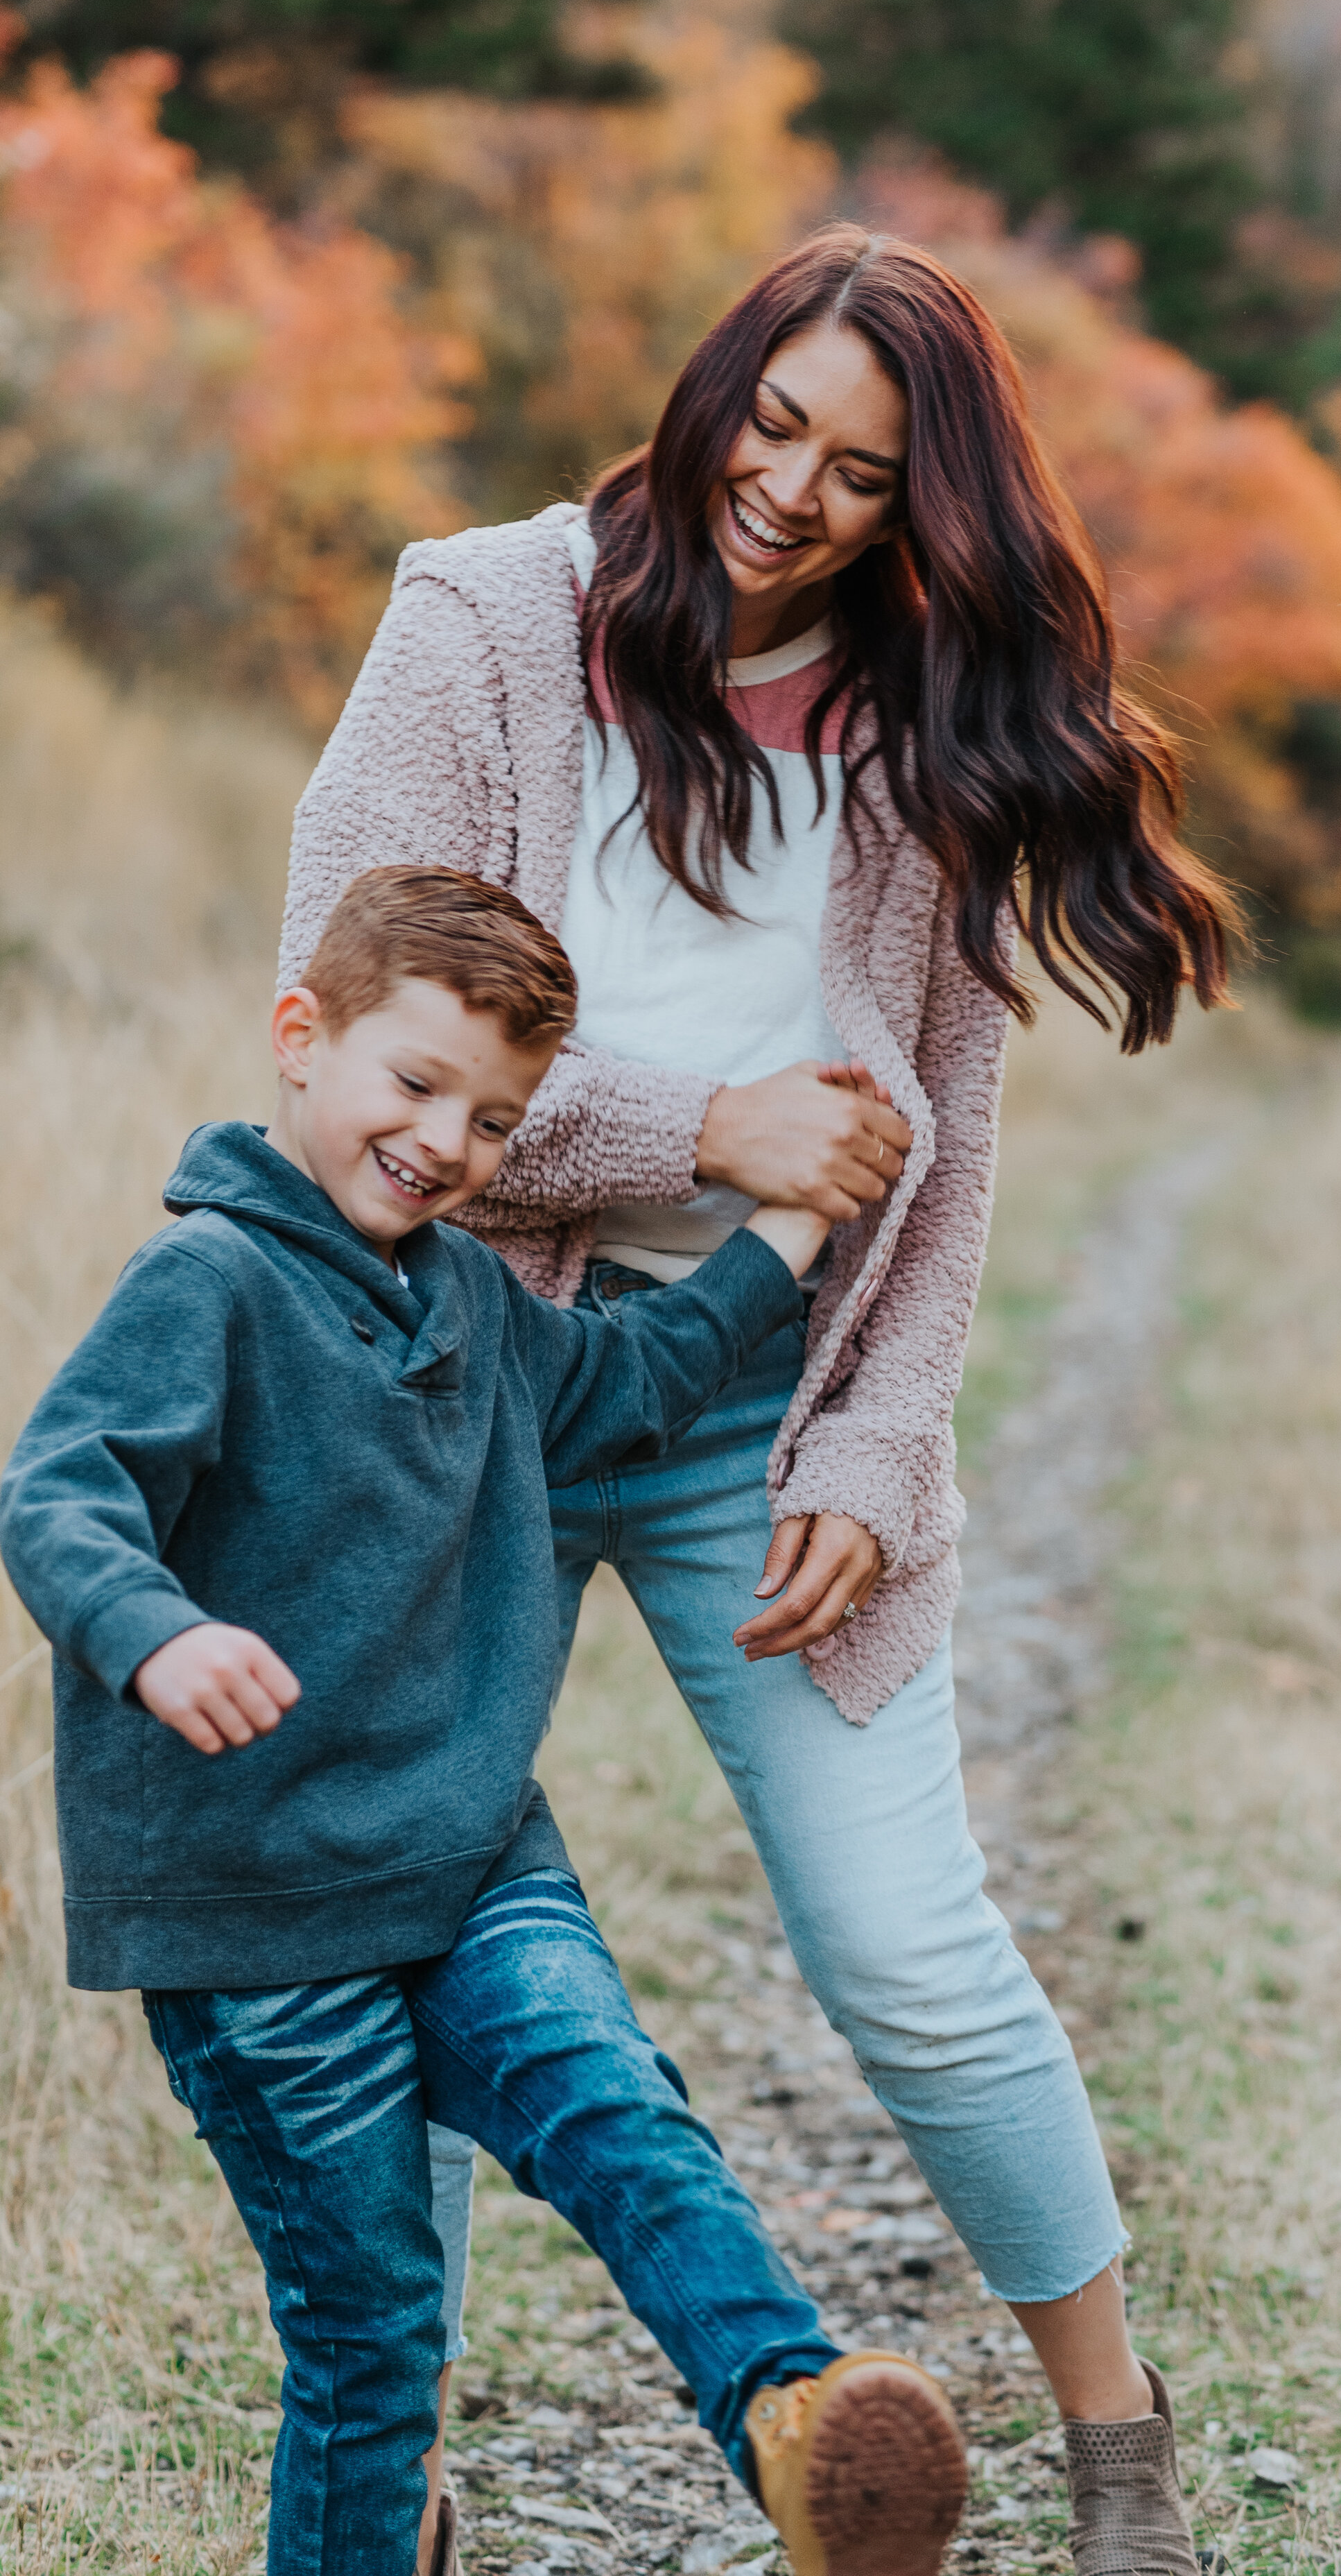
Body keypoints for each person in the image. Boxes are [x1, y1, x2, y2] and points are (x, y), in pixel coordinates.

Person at [281, 225, 1239, 2576]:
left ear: (929, 505)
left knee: (911, 1947)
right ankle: (384, 2497)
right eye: (774, 422)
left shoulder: (926, 731)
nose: (792, 491)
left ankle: (1122, 2462)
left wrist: (879, 1441)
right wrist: (703, 1127)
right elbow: (353, 1025)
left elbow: (944, 1138)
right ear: (712, 386)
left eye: (862, 471)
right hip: (447, 1373)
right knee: (392, 1932)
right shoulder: (485, 623)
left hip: (760, 1400)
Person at [0, 866, 971, 2576]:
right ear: (299, 1038)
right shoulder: (208, 1280)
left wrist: (789, 1227)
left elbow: (636, 1379)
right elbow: (60, 1490)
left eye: (495, 1120)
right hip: (260, 1916)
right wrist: (157, 1634)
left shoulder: (465, 1299)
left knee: (620, 2113)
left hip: (465, 1859)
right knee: (375, 2336)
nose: (446, 1141)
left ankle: (799, 2422)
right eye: (416, 1083)